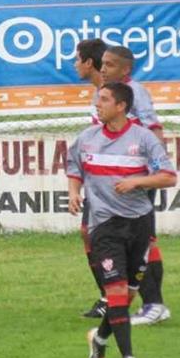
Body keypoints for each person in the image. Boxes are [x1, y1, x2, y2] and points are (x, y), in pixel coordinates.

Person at [67, 82, 177, 358]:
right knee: (114, 291)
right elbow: (74, 169)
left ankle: (99, 339)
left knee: (126, 295)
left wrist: (137, 182)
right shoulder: (86, 139)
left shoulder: (143, 140)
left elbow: (168, 177)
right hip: (104, 225)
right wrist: (74, 191)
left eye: (103, 100)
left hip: (139, 224)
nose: (97, 104)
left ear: (121, 107)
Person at [101, 46, 170, 325]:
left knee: (142, 241)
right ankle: (133, 302)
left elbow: (154, 130)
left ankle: (154, 304)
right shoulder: (106, 94)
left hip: (137, 178)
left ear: (125, 70)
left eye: (110, 64)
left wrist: (155, 171)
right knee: (130, 241)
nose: (103, 68)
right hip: (117, 179)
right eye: (102, 63)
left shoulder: (135, 92)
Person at [74, 38, 109, 318]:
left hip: (115, 179)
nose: (75, 65)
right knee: (88, 233)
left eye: (77, 59)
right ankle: (108, 297)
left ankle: (149, 301)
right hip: (98, 179)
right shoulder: (98, 96)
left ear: (88, 63)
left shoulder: (113, 96)